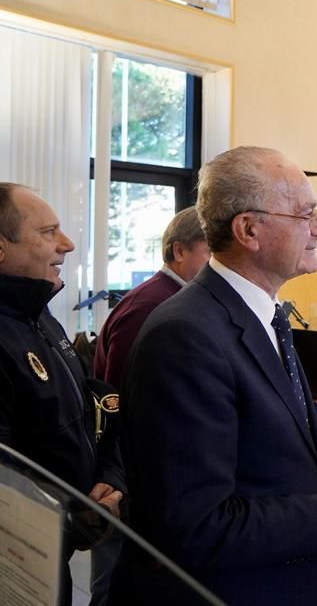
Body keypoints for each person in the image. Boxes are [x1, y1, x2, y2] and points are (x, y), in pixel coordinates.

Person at [113, 147, 317, 605]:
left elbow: (292, 422)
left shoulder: (259, 315)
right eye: (307, 214)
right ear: (249, 229)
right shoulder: (186, 336)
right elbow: (197, 524)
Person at [0, 182, 125, 605]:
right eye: (48, 232)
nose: (68, 245)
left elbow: (95, 409)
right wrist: (71, 520)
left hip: (53, 559)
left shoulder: (40, 317)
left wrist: (110, 479)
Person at [87, 207, 208, 606]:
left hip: (136, 471)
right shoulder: (152, 305)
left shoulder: (169, 299)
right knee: (114, 584)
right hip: (129, 475)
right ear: (179, 251)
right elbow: (125, 395)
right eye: (211, 251)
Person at [94, 206, 209, 390]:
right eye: (211, 252)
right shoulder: (147, 306)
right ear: (179, 251)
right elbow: (121, 392)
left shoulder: (175, 297)